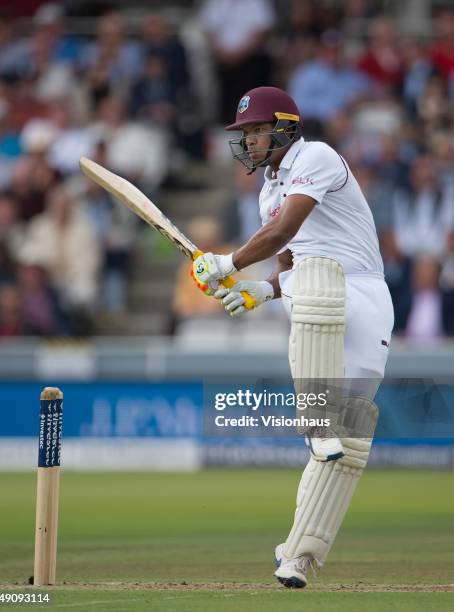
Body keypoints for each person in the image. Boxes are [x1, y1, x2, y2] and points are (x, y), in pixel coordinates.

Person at [192, 86, 394, 588]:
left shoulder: (318, 156)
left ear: (283, 127)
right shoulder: (267, 190)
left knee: (318, 276)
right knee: (345, 448)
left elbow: (285, 232)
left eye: (255, 131)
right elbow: (290, 265)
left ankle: (315, 419)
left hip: (363, 296)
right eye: (244, 135)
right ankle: (300, 555)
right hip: (320, 297)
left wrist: (226, 263)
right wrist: (261, 290)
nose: (248, 142)